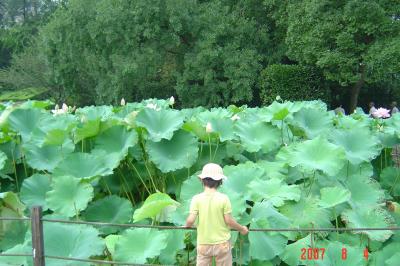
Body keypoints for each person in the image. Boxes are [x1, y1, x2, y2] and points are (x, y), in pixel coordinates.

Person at [185, 163, 248, 266]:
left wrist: (187, 226)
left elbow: (190, 220)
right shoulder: (224, 198)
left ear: (202, 180)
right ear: (220, 181)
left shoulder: (196, 199)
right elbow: (229, 221)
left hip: (204, 243)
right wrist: (241, 229)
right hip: (222, 243)